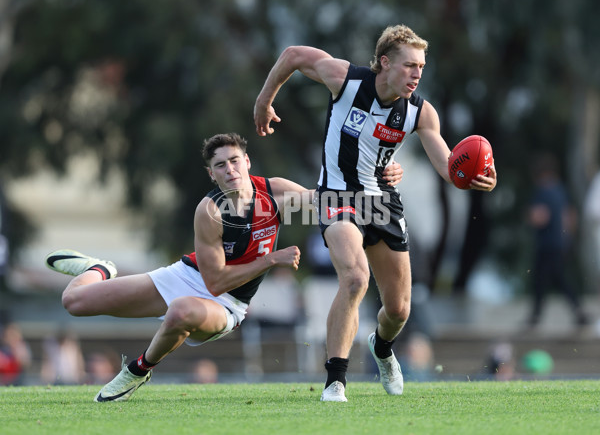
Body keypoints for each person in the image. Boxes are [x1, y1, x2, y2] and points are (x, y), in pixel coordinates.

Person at [254, 24, 497, 402]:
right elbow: (293, 56)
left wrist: (477, 177)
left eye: (421, 67)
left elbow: (450, 167)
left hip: (382, 201)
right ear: (384, 63)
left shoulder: (420, 112)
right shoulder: (346, 79)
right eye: (409, 65)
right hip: (337, 196)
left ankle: (381, 348)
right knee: (354, 278)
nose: (417, 74)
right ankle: (336, 381)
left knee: (398, 311)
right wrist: (264, 101)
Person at [45, 133, 306, 402]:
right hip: (190, 278)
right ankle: (100, 269)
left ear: (247, 161)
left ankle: (137, 371)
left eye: (234, 161)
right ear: (211, 173)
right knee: (73, 301)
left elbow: (322, 202)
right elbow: (215, 281)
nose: (229, 170)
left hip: (228, 305)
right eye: (220, 165)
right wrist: (270, 260)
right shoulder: (209, 210)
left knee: (181, 311)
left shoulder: (276, 193)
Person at [526, 153, 588, 327]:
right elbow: (570, 216)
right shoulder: (561, 190)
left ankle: (536, 316)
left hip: (546, 244)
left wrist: (529, 217)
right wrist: (569, 238)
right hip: (561, 243)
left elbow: (540, 216)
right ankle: (577, 311)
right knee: (558, 278)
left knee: (541, 280)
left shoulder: (541, 191)